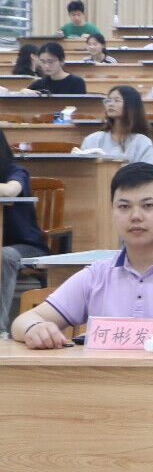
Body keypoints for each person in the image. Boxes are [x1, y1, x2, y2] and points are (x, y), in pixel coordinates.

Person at [12, 158, 153, 359]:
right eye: (124, 207)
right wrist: (35, 328)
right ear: (113, 211)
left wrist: (113, 331)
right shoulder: (98, 274)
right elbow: (23, 321)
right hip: (107, 381)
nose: (135, 216)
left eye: (148, 206)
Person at [0, 128, 49, 331]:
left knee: (4, 255)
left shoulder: (16, 171)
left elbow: (10, 190)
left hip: (26, 246)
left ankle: (0, 328)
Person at [80, 85, 153, 164]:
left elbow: (145, 171)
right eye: (108, 100)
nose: (110, 104)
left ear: (131, 105)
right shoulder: (93, 139)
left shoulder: (143, 142)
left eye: (117, 100)